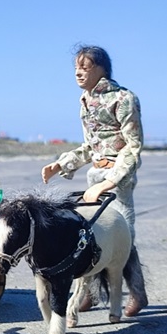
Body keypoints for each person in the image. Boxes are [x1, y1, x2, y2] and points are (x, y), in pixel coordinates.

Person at [41, 45, 148, 317]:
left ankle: (137, 293)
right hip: (95, 175)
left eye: (85, 67)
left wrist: (109, 182)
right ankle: (88, 294)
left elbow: (133, 146)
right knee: (90, 235)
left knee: (123, 236)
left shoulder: (123, 98)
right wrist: (62, 164)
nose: (78, 73)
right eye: (76, 68)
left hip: (118, 180)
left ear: (101, 69)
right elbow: (91, 146)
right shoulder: (85, 100)